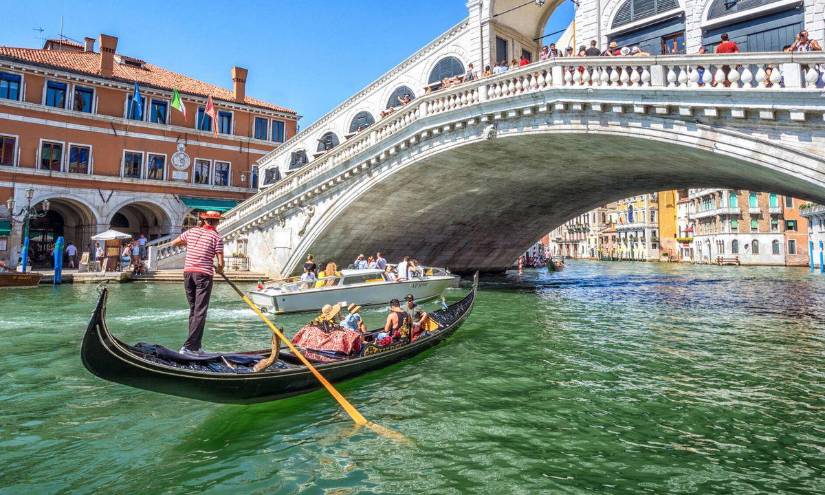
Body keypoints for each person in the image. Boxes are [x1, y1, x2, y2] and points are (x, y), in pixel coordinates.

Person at [169, 210, 225, 355]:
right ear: (216, 222)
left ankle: (196, 347)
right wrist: (220, 269)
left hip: (188, 273)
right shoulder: (216, 237)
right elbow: (220, 262)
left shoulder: (192, 232)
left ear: (204, 220)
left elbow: (174, 243)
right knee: (200, 311)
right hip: (204, 275)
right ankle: (189, 347)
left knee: (194, 311)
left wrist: (189, 245)